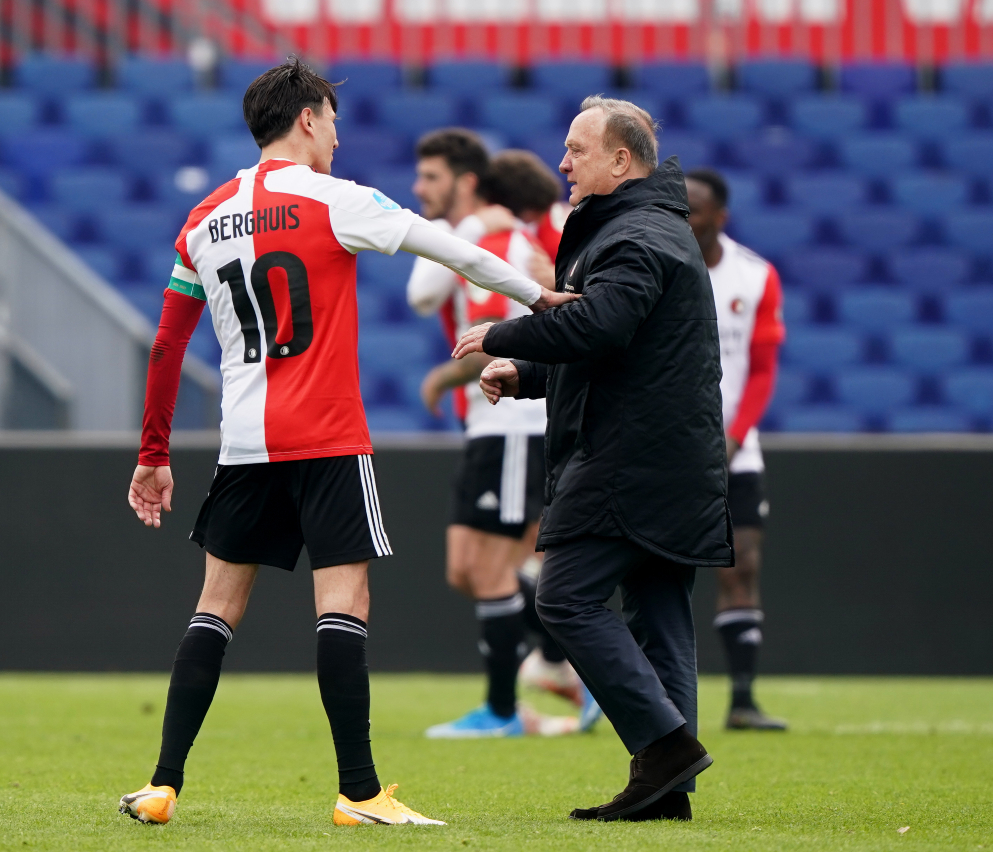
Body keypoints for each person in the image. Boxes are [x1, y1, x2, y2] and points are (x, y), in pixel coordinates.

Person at [119, 59, 572, 828]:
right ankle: (359, 793)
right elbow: (452, 250)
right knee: (344, 603)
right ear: (305, 120)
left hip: (246, 443)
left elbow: (167, 346)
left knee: (214, 609)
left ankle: (161, 784)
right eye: (331, 118)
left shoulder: (202, 218)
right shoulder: (338, 200)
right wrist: (541, 297)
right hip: (327, 437)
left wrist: (154, 453)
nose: (338, 132)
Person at [452, 96, 732, 823]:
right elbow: (620, 352)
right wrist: (529, 376)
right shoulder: (650, 230)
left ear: (622, 160)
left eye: (577, 149)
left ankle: (665, 747)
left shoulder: (634, 235)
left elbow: (603, 324)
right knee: (659, 613)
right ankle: (668, 786)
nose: (562, 163)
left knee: (564, 595)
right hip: (673, 456)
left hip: (629, 458)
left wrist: (504, 335)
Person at [404, 133, 589, 738]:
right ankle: (565, 668)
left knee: (492, 570)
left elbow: (493, 330)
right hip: (488, 427)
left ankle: (514, 707)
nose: (419, 189)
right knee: (467, 568)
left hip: (512, 423)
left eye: (431, 178)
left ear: (468, 183)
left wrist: (446, 373)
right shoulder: (479, 238)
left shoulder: (502, 239)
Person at [685, 168, 788, 731]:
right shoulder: (658, 264)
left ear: (720, 216)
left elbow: (764, 368)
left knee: (740, 564)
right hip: (669, 448)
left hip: (733, 450)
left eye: (695, 209)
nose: (685, 218)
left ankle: (743, 699)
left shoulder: (755, 276)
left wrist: (736, 432)